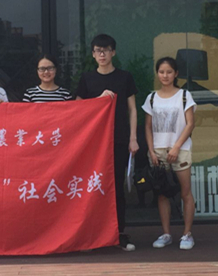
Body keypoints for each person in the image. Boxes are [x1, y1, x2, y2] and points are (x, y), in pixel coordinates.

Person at [76, 34, 139, 252]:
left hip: (119, 139)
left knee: (117, 188)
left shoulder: (124, 77)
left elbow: (132, 109)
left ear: (113, 52)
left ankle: (118, 232)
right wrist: (98, 101)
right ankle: (93, 233)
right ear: (93, 54)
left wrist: (133, 138)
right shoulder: (87, 78)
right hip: (94, 143)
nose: (102, 54)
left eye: (106, 50)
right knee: (93, 186)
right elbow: (77, 109)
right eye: (98, 50)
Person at [142, 57, 196, 250]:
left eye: (169, 72)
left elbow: (190, 123)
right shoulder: (152, 98)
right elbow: (148, 127)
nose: (165, 75)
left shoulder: (184, 95)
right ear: (157, 73)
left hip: (180, 150)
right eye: (161, 72)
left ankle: (187, 234)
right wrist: (151, 150)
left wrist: (176, 147)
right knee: (162, 193)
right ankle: (166, 234)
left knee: (185, 192)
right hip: (158, 150)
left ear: (176, 74)